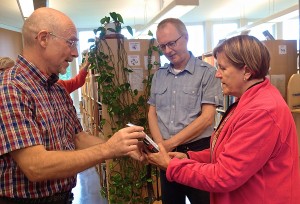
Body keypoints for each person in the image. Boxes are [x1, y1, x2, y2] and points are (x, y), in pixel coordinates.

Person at [0, 7, 145, 204]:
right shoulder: (11, 87)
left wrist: (123, 147)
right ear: (43, 39)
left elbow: (78, 138)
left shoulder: (57, 89)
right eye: (71, 43)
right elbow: (35, 166)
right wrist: (108, 150)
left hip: (64, 197)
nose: (75, 53)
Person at [146, 35, 300, 204]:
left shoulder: (262, 111)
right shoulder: (250, 100)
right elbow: (230, 151)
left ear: (247, 72)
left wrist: (171, 166)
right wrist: (189, 157)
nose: (217, 75)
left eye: (223, 68)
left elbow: (225, 176)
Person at [147, 18, 223, 204]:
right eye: (162, 46)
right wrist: (160, 145)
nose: (167, 51)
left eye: (172, 43)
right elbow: (152, 112)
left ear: (186, 37)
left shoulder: (207, 72)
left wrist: (169, 144)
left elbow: (206, 119)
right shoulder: (159, 75)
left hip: (197, 153)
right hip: (166, 152)